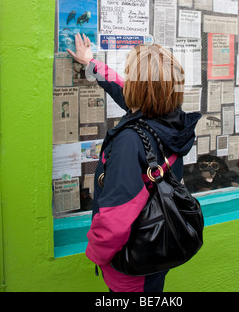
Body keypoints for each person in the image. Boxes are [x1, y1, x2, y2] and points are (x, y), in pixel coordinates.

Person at [67, 33, 201, 293]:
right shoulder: (174, 120)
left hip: (133, 266)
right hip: (158, 246)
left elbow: (115, 220)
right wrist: (91, 64)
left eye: (131, 77)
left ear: (138, 90)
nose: (126, 82)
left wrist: (97, 255)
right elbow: (122, 89)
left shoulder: (130, 141)